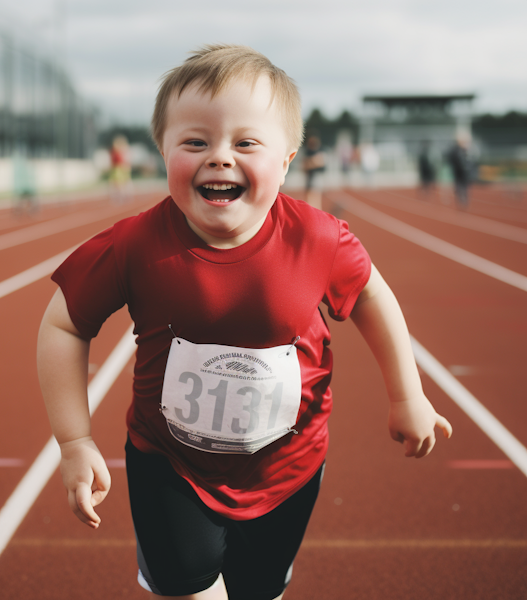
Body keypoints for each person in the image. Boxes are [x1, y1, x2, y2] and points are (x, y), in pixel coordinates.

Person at [37, 44, 452, 600]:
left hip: (289, 470)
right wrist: (74, 440)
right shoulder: (134, 245)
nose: (220, 157)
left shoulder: (319, 239)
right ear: (162, 151)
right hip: (171, 464)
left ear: (286, 160)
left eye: (246, 143)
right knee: (186, 587)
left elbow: (373, 295)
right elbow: (64, 325)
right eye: (195, 141)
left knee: (258, 591)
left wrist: (407, 395)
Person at [447, 133, 472, 209]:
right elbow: (451, 160)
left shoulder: (465, 150)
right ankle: (460, 198)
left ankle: (464, 199)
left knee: (464, 185)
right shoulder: (455, 150)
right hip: (457, 170)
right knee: (458, 185)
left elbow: (469, 160)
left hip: (464, 171)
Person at [108, 134, 133, 202]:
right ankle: (121, 196)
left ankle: (124, 195)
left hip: (121, 168)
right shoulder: (115, 152)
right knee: (118, 183)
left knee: (122, 183)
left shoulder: (123, 151)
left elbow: (126, 160)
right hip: (117, 169)